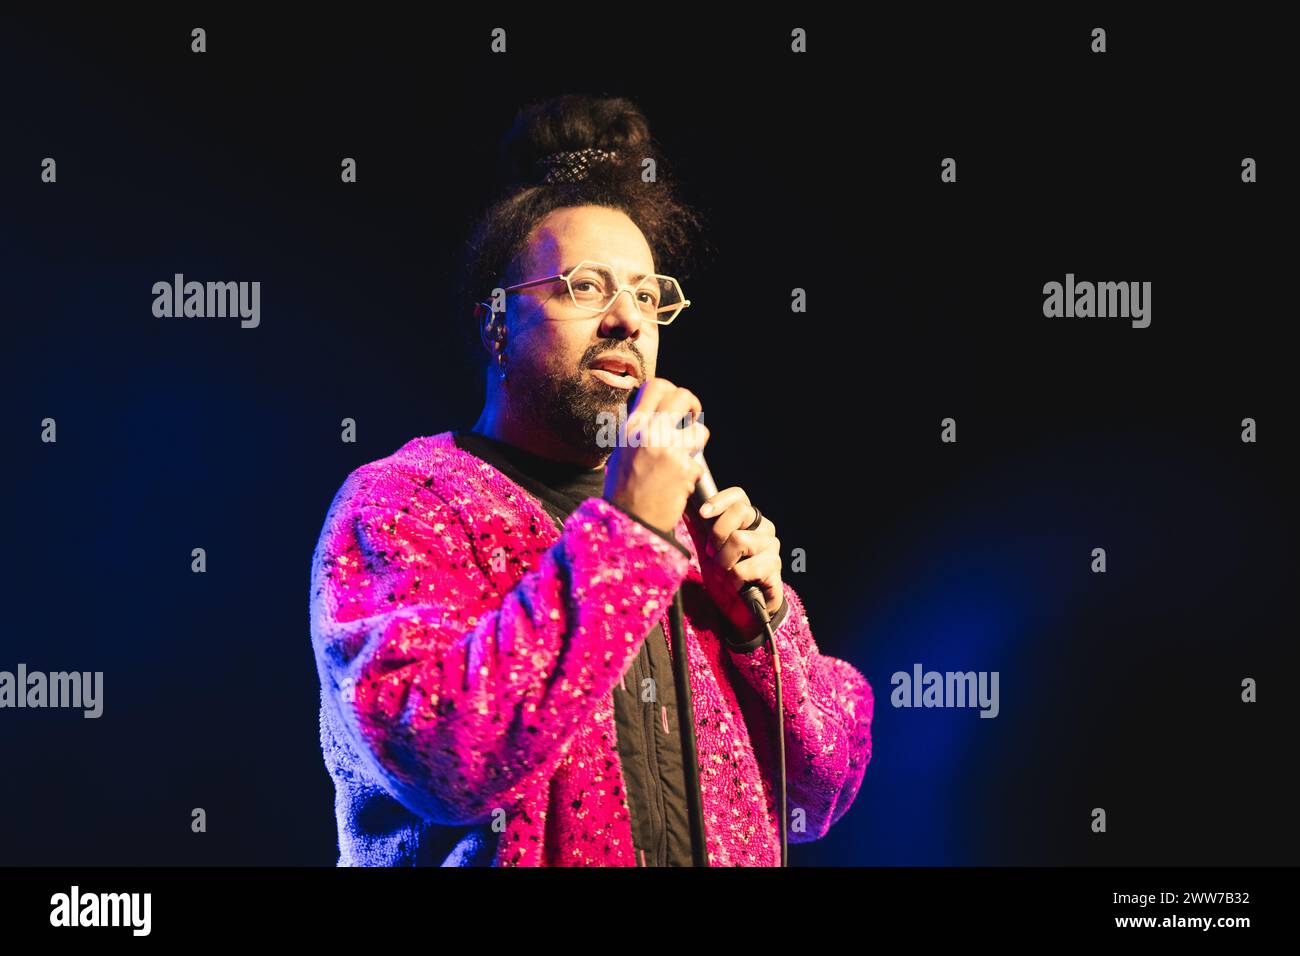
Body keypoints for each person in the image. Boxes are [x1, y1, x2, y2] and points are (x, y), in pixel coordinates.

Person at [309, 94, 874, 866]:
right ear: (496, 325)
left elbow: (821, 797)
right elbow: (443, 759)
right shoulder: (403, 502)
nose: (628, 319)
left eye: (646, 295)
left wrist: (760, 629)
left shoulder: (690, 537)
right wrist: (632, 534)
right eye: (584, 287)